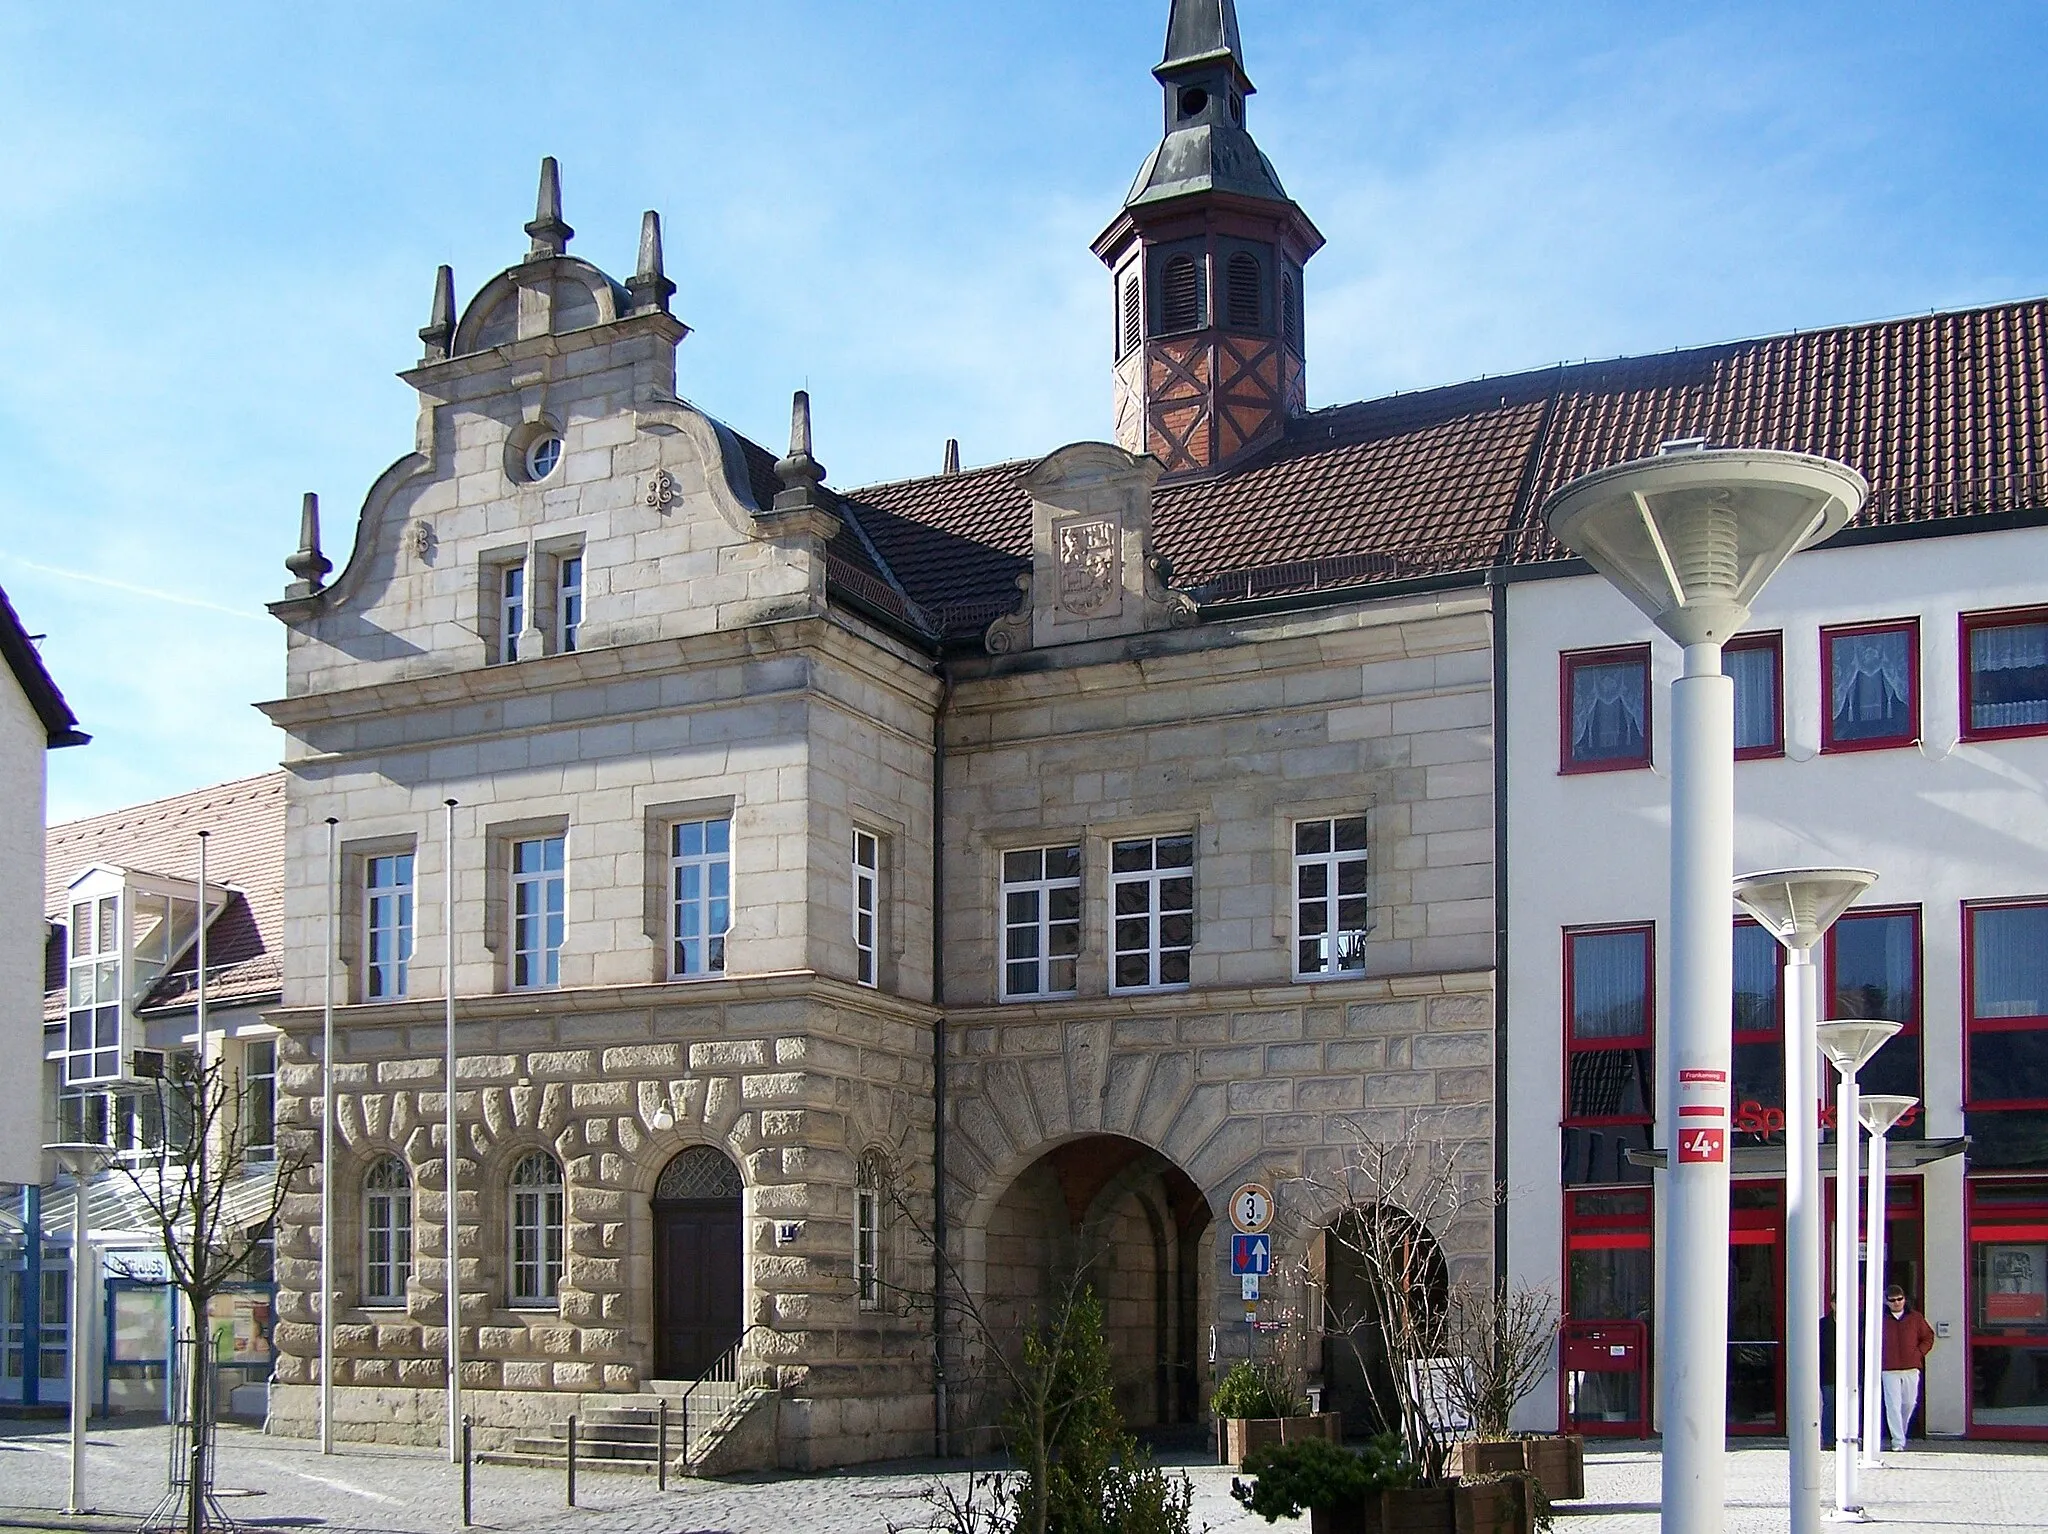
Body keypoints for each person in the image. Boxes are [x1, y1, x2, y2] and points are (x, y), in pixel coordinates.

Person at [1879, 1284, 1936, 1451]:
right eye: (1893, 1300)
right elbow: (1866, 1339)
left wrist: (1919, 1353)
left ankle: (1901, 1432)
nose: (1897, 1303)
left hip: (1911, 1367)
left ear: (1905, 1299)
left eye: (1900, 1299)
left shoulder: (1915, 1318)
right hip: (1889, 1369)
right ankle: (1898, 1441)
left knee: (1909, 1403)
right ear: (1887, 1302)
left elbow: (1928, 1337)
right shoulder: (1881, 1319)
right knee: (1893, 1405)